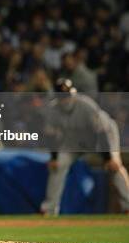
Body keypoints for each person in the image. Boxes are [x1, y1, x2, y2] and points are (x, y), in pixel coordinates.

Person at [40, 79, 129, 215]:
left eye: (67, 96)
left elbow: (101, 132)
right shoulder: (53, 110)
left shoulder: (86, 105)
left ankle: (127, 205)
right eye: (62, 97)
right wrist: (53, 157)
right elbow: (51, 136)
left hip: (103, 137)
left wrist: (108, 157)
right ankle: (48, 209)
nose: (66, 100)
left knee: (114, 165)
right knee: (58, 164)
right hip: (75, 140)